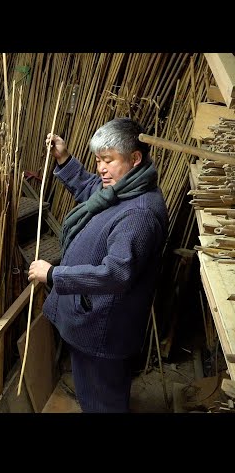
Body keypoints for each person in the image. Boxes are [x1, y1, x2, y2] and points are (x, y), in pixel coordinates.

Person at [27, 117, 168, 413]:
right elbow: (94, 188)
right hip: (93, 319)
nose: (101, 168)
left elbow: (116, 274)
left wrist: (54, 274)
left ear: (135, 158)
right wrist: (64, 159)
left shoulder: (139, 214)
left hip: (104, 330)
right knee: (95, 394)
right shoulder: (124, 188)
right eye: (98, 160)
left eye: (108, 160)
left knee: (102, 403)